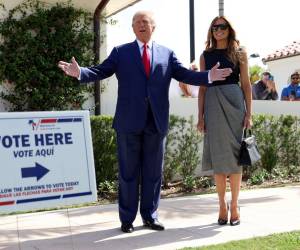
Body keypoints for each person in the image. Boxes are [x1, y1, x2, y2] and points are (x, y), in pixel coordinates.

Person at [58, 11, 232, 233]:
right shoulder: (121, 52)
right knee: (128, 174)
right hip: (128, 122)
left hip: (156, 122)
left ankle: (150, 216)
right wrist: (80, 72)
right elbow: (101, 71)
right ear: (132, 28)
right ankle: (127, 220)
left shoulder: (167, 54)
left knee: (153, 173)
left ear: (153, 27)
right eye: (137, 23)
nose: (141, 25)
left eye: (145, 22)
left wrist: (208, 76)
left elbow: (183, 75)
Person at [197, 16, 252, 226]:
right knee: (219, 159)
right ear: (211, 31)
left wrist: (249, 114)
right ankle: (221, 204)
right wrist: (200, 116)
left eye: (222, 26)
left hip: (235, 105)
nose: (218, 30)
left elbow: (246, 85)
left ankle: (235, 204)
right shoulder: (205, 55)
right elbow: (202, 88)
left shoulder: (240, 53)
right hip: (212, 104)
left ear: (229, 29)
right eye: (214, 27)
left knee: (237, 159)